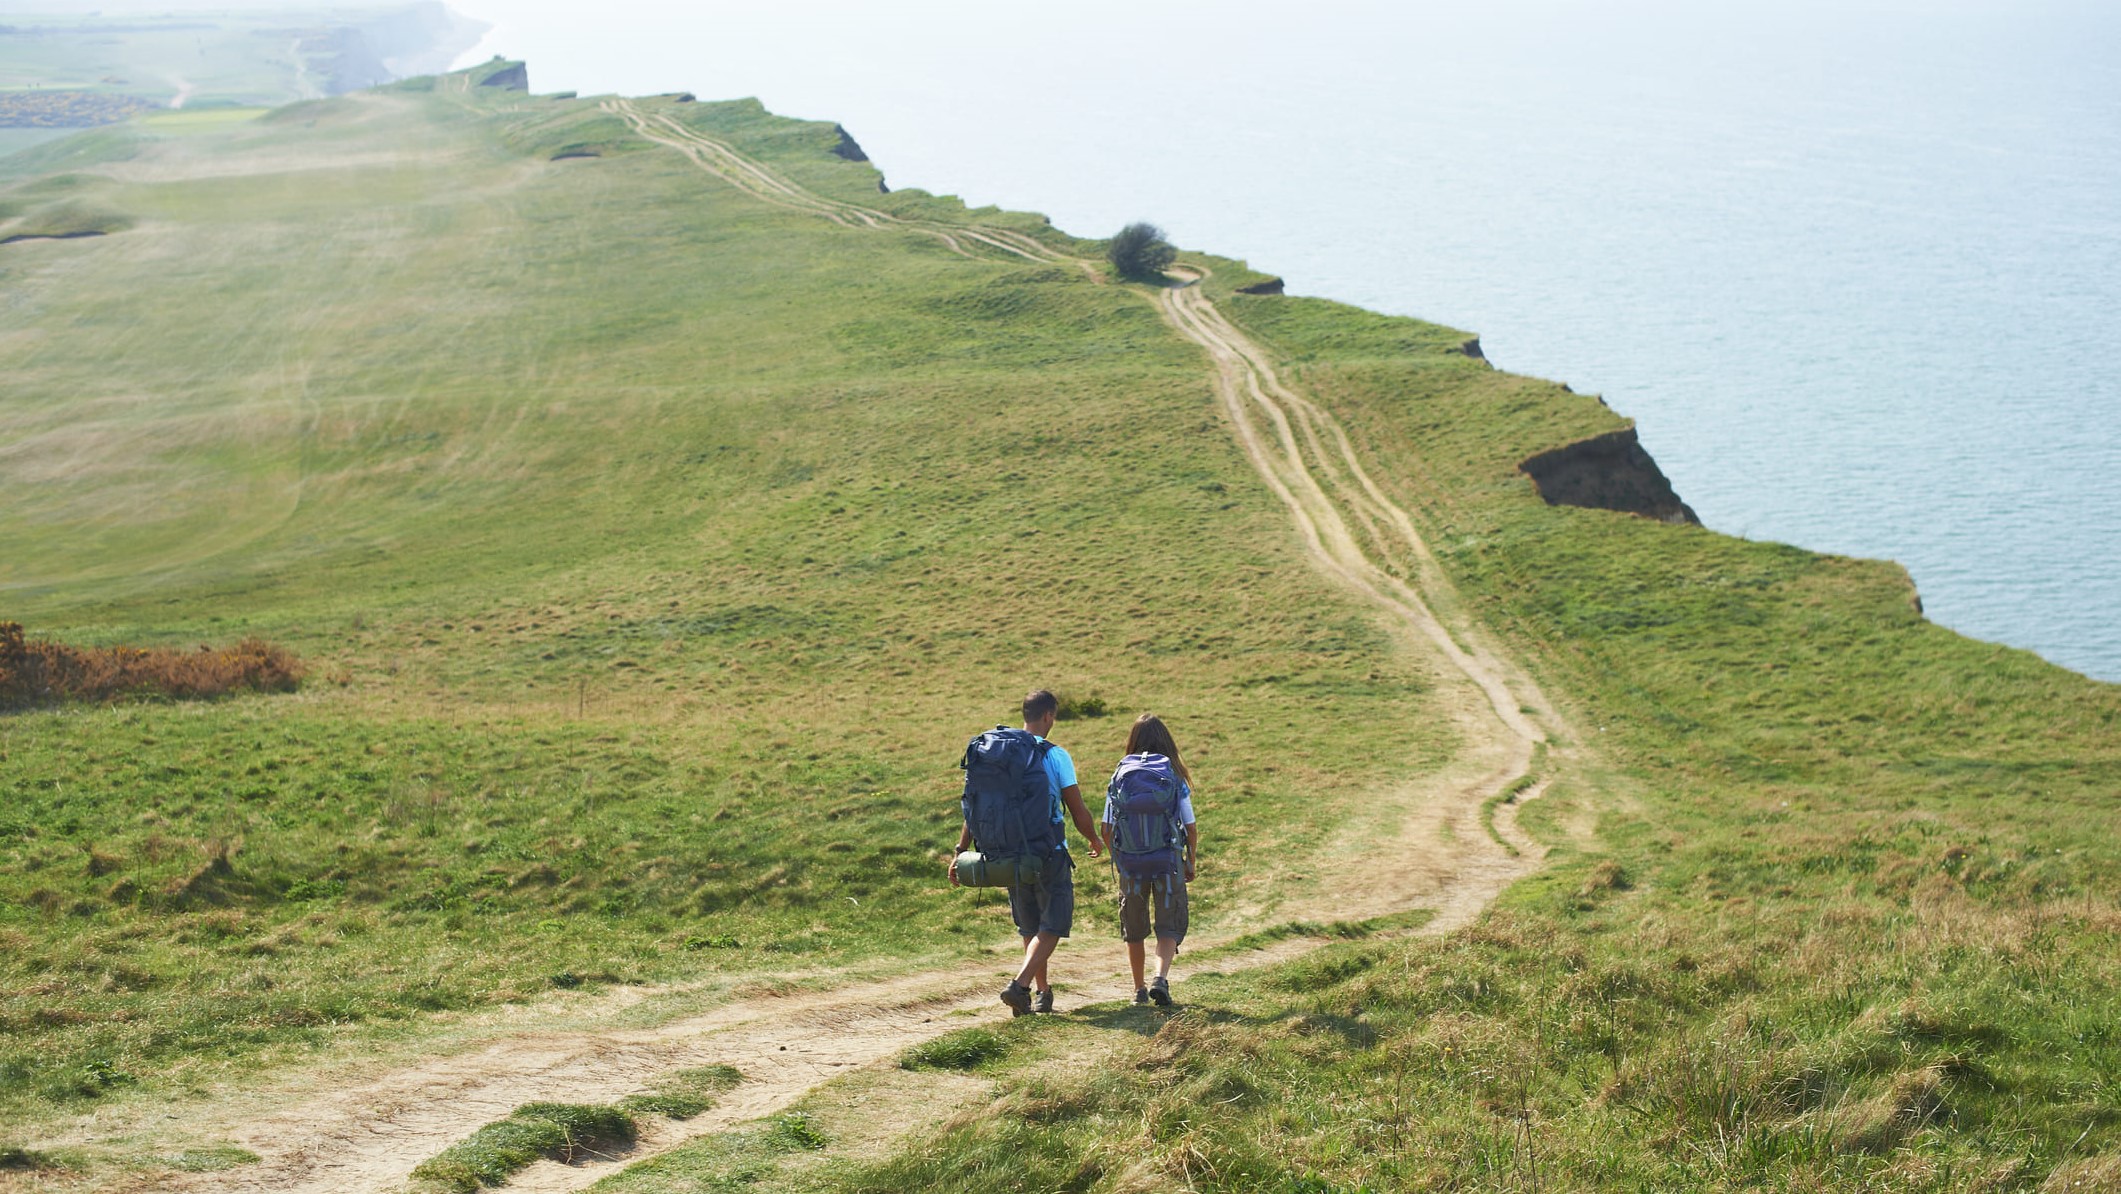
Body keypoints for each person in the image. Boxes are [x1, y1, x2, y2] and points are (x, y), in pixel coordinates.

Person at [949, 689, 1102, 1016]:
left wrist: (961, 850)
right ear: (1048, 716)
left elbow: (974, 807)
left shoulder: (996, 754)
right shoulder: (1054, 755)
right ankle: (1020, 986)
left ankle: (1041, 993)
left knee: (1029, 925)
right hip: (1047, 851)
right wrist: (1094, 839)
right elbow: (1077, 809)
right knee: (1053, 923)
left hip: (1007, 851)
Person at [1099, 713, 1199, 1007]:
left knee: (1134, 927)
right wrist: (1190, 860)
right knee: (1168, 925)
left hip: (1131, 863)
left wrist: (1119, 858)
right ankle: (1161, 978)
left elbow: (1106, 827)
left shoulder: (1120, 775)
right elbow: (1190, 826)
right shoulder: (1174, 776)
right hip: (1167, 861)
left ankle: (1138, 989)